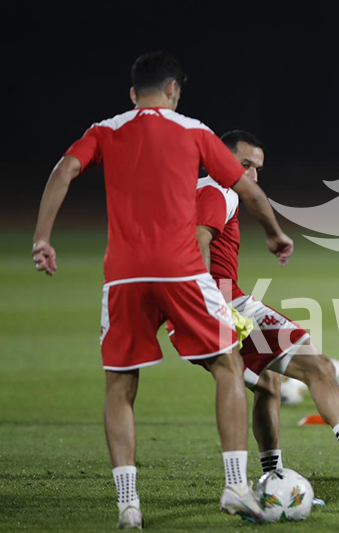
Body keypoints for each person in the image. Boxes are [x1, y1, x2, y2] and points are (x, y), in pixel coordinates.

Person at [31, 52, 291, 528]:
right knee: (229, 364)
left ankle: (128, 504)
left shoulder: (105, 130)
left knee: (121, 383)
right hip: (181, 270)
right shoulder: (193, 130)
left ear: (133, 93)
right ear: (174, 90)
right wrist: (274, 232)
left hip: (123, 274)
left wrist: (42, 238)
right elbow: (248, 191)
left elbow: (64, 170)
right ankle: (235, 485)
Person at [168, 129, 339, 489]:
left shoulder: (196, 189)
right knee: (317, 366)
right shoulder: (218, 191)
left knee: (268, 383)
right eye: (244, 165)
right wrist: (212, 306)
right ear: (218, 160)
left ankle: (273, 479)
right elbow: (198, 244)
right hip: (220, 303)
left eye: (257, 168)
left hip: (194, 308)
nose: (252, 176)